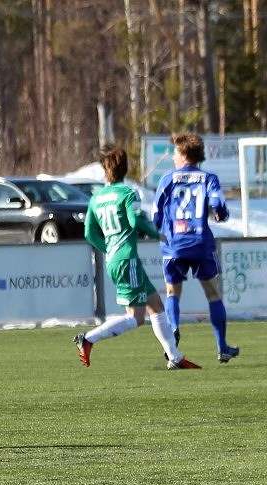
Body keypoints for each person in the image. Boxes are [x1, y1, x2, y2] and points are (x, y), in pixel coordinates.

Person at [74, 146, 200, 370]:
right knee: (136, 318)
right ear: (125, 169)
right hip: (127, 259)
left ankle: (175, 357)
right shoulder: (128, 194)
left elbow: (89, 234)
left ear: (106, 171)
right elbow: (135, 222)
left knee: (156, 305)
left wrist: (109, 248)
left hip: (116, 258)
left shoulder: (96, 198)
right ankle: (88, 338)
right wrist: (158, 234)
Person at [151, 132, 240, 363]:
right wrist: (220, 214)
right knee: (212, 293)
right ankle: (222, 347)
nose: (172, 157)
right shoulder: (209, 179)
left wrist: (163, 229)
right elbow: (219, 205)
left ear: (183, 154)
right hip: (200, 243)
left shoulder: (167, 179)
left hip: (173, 244)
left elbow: (156, 215)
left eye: (174, 153)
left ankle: (174, 329)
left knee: (172, 293)